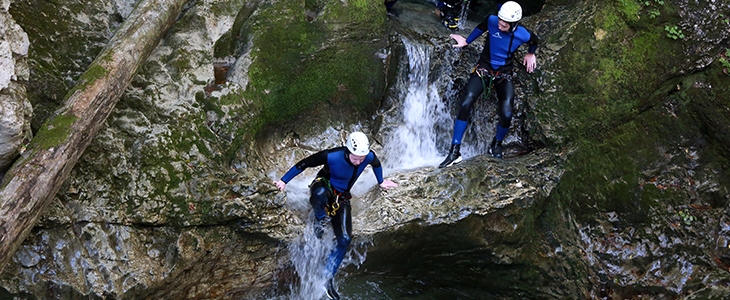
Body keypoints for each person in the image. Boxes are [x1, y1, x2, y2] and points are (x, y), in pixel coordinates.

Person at [274, 131, 398, 299]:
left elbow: (376, 164)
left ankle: (327, 278)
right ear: (348, 150)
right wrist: (283, 181)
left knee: (345, 239)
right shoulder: (332, 156)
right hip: (323, 185)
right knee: (319, 195)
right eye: (356, 157)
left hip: (342, 196)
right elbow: (303, 164)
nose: (359, 161)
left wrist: (381, 181)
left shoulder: (368, 156)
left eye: (362, 158)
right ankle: (319, 218)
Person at [438, 1, 538, 168]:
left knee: (506, 113)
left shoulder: (523, 34)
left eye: (504, 24)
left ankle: (496, 145)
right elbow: (479, 28)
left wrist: (530, 54)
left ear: (514, 25)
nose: (500, 25)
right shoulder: (491, 21)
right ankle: (454, 152)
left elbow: (534, 41)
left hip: (503, 75)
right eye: (500, 21)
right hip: (483, 70)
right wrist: (466, 41)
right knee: (465, 102)